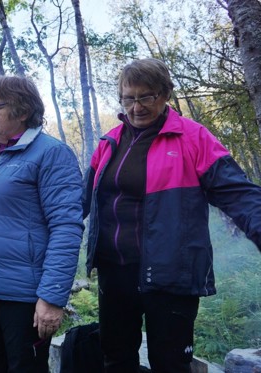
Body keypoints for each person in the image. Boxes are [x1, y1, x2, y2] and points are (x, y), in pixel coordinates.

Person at [82, 58, 261, 373]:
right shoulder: (108, 142)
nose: (136, 107)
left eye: (146, 96)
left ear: (165, 95)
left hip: (171, 272)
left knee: (170, 364)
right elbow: (77, 203)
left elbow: (239, 194)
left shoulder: (192, 138)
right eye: (129, 98)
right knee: (116, 358)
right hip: (116, 271)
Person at [0, 75, 84, 373]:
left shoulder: (51, 154)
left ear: (23, 111)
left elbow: (66, 228)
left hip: (26, 297)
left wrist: (51, 297)